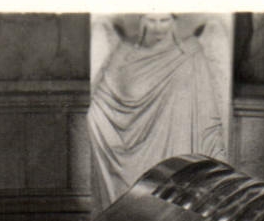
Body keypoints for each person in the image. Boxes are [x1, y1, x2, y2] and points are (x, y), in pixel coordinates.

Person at [86, 13, 228, 208]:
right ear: (142, 22)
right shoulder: (125, 52)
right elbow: (105, 98)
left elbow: (207, 108)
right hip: (132, 151)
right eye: (152, 21)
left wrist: (215, 149)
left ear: (174, 22)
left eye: (164, 21)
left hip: (178, 145)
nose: (158, 28)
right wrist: (96, 119)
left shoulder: (191, 54)